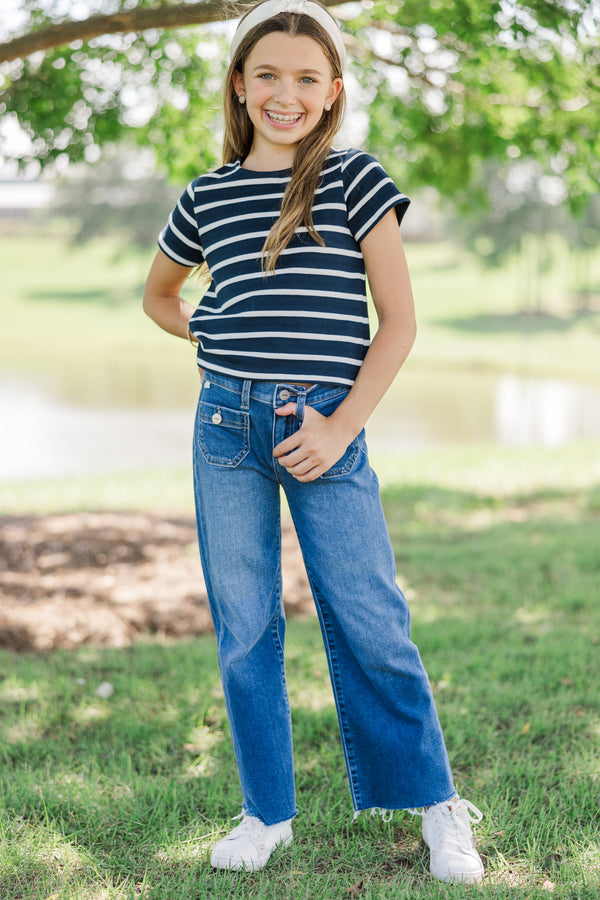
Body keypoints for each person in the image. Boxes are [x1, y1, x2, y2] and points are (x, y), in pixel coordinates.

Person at [143, 0, 484, 884]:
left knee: (372, 617)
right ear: (238, 85)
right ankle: (266, 813)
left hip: (326, 425)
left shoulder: (355, 180)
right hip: (224, 429)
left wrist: (340, 427)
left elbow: (398, 325)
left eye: (304, 78)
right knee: (245, 626)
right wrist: (208, 337)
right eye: (267, 75)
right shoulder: (208, 195)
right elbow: (161, 296)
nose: (284, 93)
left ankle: (438, 805)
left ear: (331, 93)